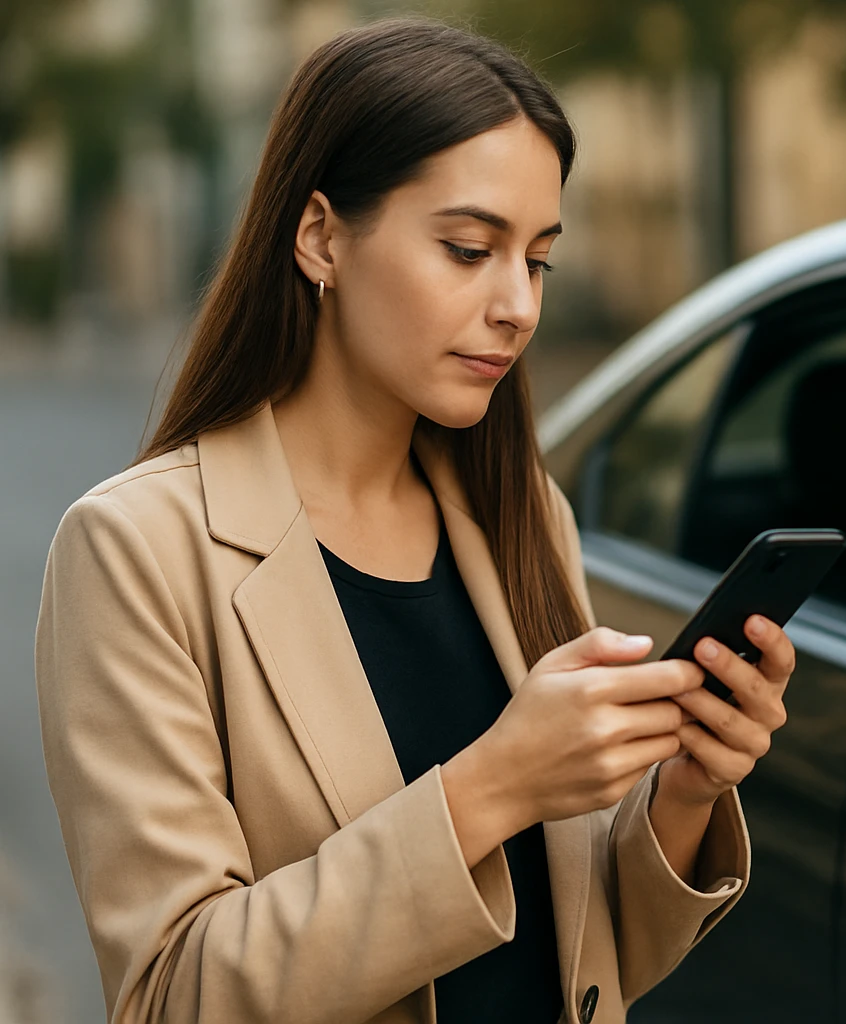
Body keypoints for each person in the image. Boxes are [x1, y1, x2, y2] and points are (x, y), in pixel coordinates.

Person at [34, 20, 790, 1024]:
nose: (518, 304)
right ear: (319, 238)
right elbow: (178, 993)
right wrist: (491, 785)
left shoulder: (519, 515)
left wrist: (688, 789)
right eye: (469, 249)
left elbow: (594, 964)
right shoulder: (138, 550)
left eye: (539, 261)